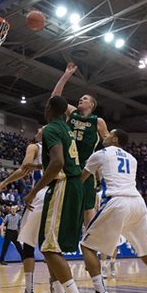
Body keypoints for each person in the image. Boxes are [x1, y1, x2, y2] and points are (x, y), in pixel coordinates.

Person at [80, 129, 147, 293]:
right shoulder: (132, 159)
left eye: (109, 134)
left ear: (115, 139)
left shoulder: (100, 153)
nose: (106, 136)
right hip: (138, 203)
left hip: (116, 201)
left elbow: (81, 179)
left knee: (87, 246)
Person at [23, 96, 84, 293]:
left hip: (63, 185)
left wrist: (33, 192)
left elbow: (58, 162)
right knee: (53, 247)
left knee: (48, 248)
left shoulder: (50, 129)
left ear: (48, 108)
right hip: (74, 185)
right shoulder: (66, 128)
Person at [0, 128, 61, 293]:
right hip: (58, 196)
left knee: (27, 246)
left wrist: (6, 181)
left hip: (40, 195)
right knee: (51, 247)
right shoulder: (59, 149)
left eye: (40, 128)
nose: (38, 130)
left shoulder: (34, 147)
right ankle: (58, 291)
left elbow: (25, 167)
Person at [52, 62, 109, 226]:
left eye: (84, 98)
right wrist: (66, 75)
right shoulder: (72, 113)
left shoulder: (98, 121)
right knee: (63, 202)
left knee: (88, 207)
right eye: (80, 98)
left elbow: (109, 145)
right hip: (67, 163)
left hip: (86, 166)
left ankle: (89, 241)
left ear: (91, 104)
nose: (80, 99)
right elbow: (55, 99)